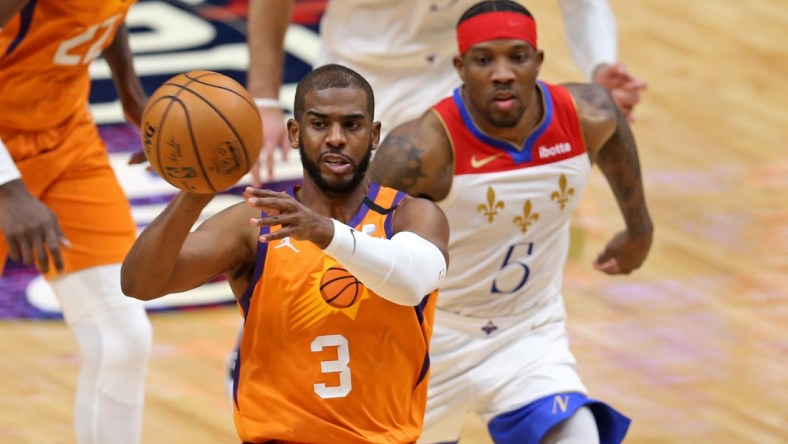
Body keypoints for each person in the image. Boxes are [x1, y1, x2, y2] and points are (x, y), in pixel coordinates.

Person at [367, 1, 653, 443]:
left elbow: (616, 130)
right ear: (460, 67)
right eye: (484, 60)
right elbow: (358, 239)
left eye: (517, 57)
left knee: (581, 435)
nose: (502, 72)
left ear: (538, 61)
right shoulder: (419, 151)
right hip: (426, 341)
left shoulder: (585, 114)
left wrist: (639, 229)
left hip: (528, 333)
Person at [120, 64, 450, 443]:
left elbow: (412, 282)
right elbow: (139, 283)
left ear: (374, 135)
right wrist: (197, 189)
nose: (336, 138)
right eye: (319, 124)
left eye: (353, 125)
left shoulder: (410, 215)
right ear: (295, 132)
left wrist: (325, 232)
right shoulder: (255, 224)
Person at [246, 0, 646, 183]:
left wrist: (600, 65)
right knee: (333, 242)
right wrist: (264, 100)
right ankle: (253, 346)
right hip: (361, 80)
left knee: (456, 239)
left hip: (461, 76)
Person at [0, 1, 152, 443]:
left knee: (122, 338)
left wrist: (131, 95)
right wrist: (8, 186)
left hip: (65, 139)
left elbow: (109, 13)